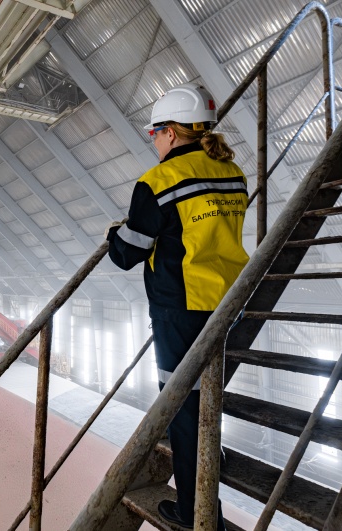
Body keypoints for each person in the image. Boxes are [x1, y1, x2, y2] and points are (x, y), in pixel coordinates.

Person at [105, 82, 248, 530]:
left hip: (181, 310)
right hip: (231, 303)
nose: (155, 141)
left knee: (184, 411)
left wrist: (114, 233)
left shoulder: (158, 181)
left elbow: (127, 253)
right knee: (209, 396)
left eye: (155, 133)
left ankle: (196, 515)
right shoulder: (233, 173)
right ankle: (210, 456)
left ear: (170, 132)